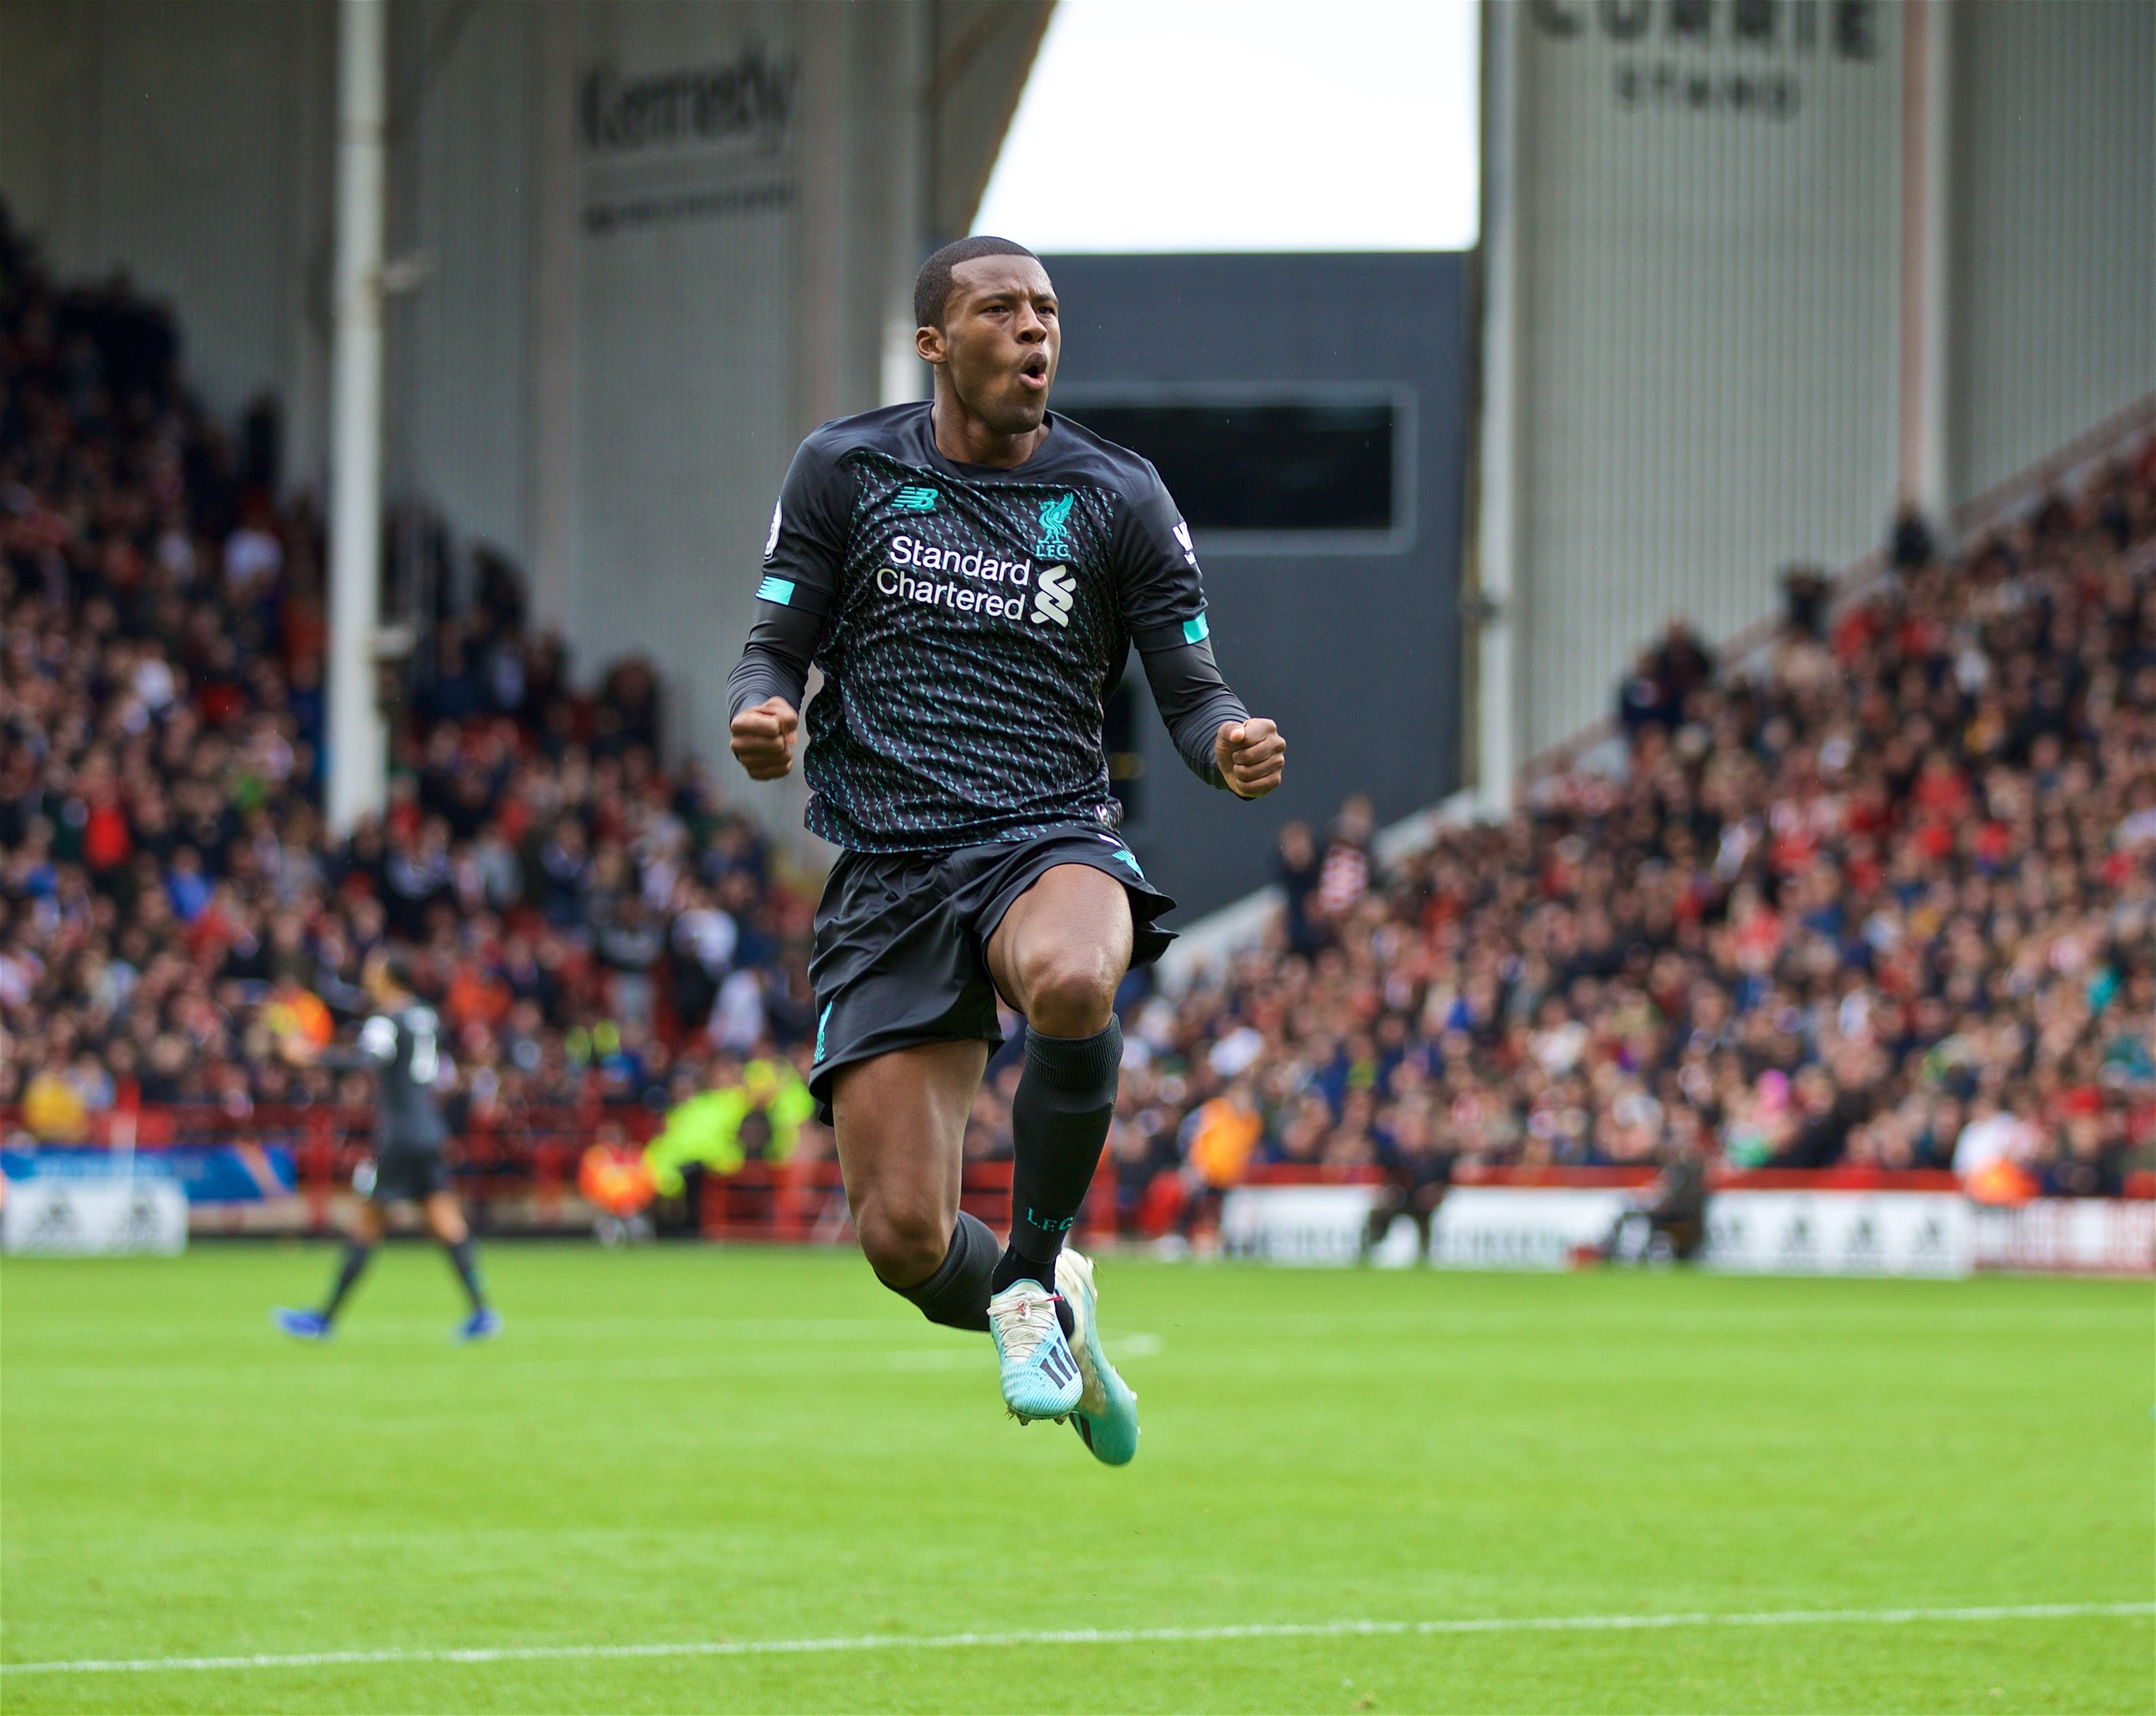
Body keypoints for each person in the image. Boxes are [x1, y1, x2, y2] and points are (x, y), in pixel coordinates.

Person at [727, 236, 1285, 1464]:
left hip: (1046, 835)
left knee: (1076, 978)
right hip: (887, 864)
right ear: (934, 343)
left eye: (1046, 310)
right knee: (902, 1240)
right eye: (1001, 310)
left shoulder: (1116, 494)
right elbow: (773, 645)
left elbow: (1192, 691)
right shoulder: (846, 469)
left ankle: (1032, 1280)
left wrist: (1228, 742)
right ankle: (1063, 1326)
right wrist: (760, 710)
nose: (1034, 329)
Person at [273, 947, 500, 1342]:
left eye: (374, 968)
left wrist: (312, 1055)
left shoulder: (386, 1018)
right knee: (447, 1222)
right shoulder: (425, 1015)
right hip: (430, 1129)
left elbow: (370, 1060)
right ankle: (483, 1312)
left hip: (401, 1135)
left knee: (368, 1223)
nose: (367, 974)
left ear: (390, 976)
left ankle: (324, 1319)